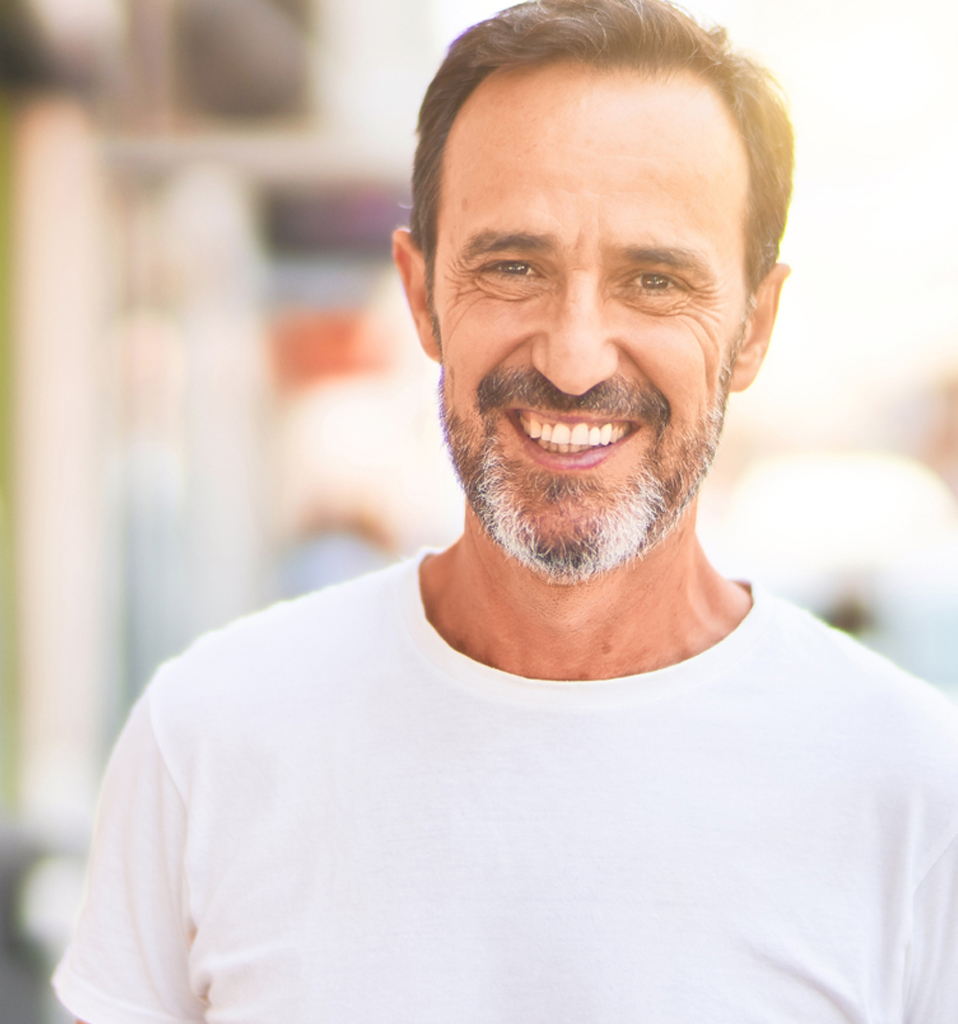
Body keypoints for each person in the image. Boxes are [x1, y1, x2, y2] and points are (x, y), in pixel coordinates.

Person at [55, 1, 958, 1021]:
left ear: (755, 327)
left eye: (653, 280)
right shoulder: (208, 741)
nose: (573, 357)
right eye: (513, 268)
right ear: (421, 293)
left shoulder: (916, 793)